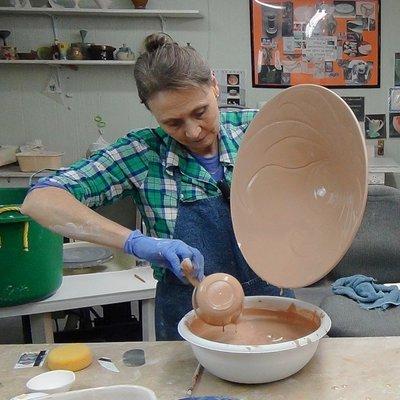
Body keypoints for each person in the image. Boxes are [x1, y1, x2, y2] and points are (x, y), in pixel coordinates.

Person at [21, 32, 294, 341]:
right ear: (153, 114)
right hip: (188, 317)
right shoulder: (144, 153)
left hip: (273, 301)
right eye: (173, 123)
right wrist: (135, 242)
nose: (192, 132)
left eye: (200, 112)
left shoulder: (259, 130)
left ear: (214, 86)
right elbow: (40, 200)